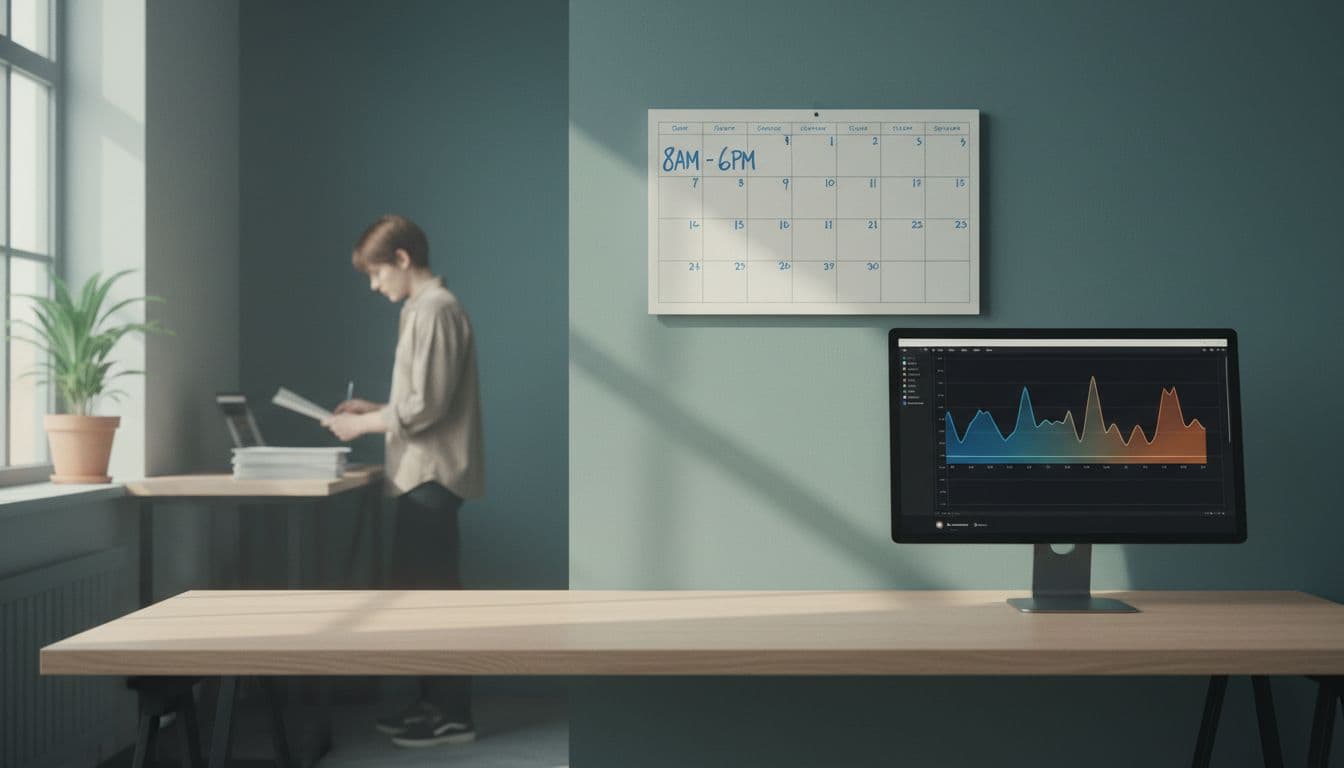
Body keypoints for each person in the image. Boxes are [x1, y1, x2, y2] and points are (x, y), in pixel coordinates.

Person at [322, 214, 485, 748]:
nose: (375, 286)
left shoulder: (436, 310)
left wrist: (360, 423)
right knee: (422, 595)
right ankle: (432, 704)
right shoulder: (424, 309)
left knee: (434, 598)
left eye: (376, 274)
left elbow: (427, 407)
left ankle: (452, 715)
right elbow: (419, 400)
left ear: (402, 259)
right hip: (423, 476)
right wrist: (377, 407)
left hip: (431, 476)